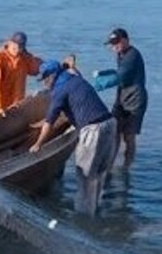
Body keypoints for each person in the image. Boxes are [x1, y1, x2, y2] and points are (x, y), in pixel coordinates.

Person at [30, 60, 117, 216]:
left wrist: (38, 144)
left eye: (45, 78)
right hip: (110, 124)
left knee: (85, 175)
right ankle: (95, 210)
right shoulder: (76, 79)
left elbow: (50, 121)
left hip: (93, 130)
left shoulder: (60, 90)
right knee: (98, 173)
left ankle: (83, 218)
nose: (44, 82)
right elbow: (65, 110)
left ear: (53, 76)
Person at [99, 27, 148, 168]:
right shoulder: (120, 54)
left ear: (126, 40)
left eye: (117, 43)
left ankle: (127, 167)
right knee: (114, 133)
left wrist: (100, 85)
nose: (114, 47)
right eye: (112, 44)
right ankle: (109, 165)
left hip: (135, 101)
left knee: (128, 137)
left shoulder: (133, 55)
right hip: (122, 98)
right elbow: (119, 76)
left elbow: (119, 76)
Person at [0, 31, 43, 125]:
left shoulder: (24, 58)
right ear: (9, 43)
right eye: (15, 46)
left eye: (20, 47)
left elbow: (35, 68)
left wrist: (51, 67)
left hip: (15, 107)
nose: (17, 49)